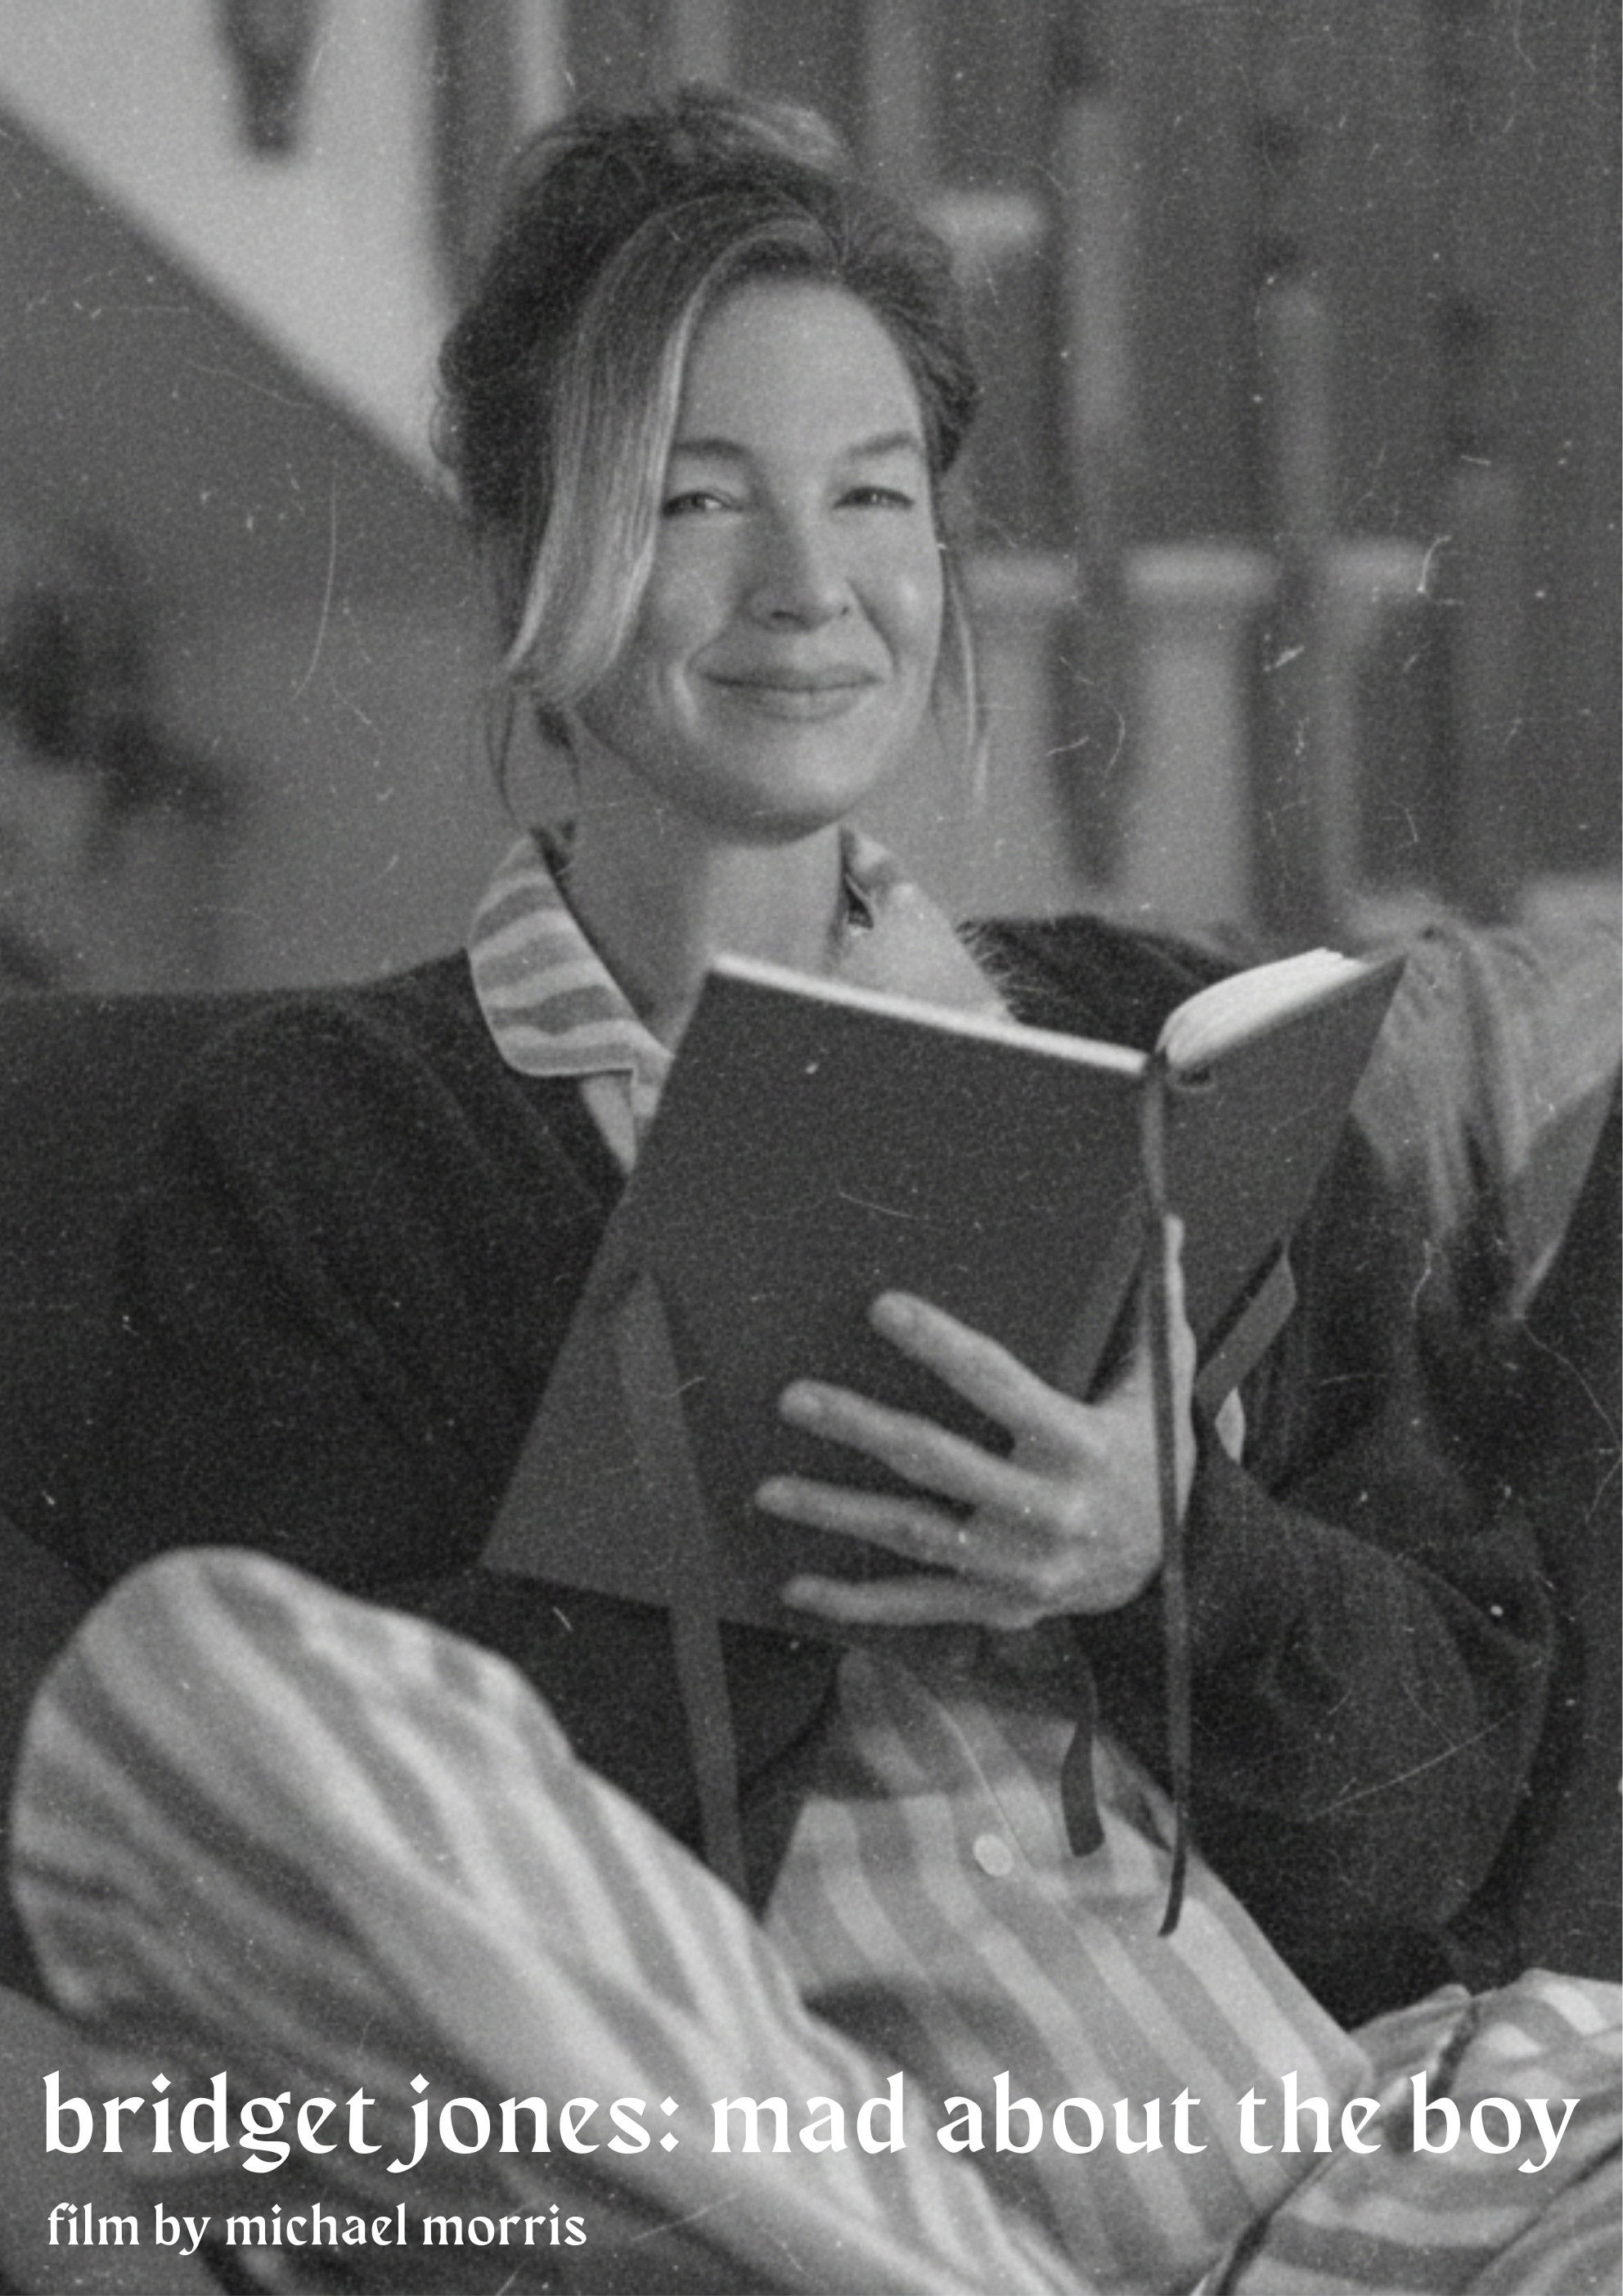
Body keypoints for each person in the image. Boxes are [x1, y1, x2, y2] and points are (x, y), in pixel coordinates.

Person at [12, 86, 1615, 2296]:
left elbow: (1444, 1814)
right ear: (533, 557)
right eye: (699, 500)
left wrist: (1171, 1561)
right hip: (809, 2207)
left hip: (1384, 2173)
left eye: (873, 496)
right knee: (199, 1677)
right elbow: (328, 1895)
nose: (808, 587)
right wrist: (757, 1521)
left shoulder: (1154, 1044)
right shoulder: (334, 1139)